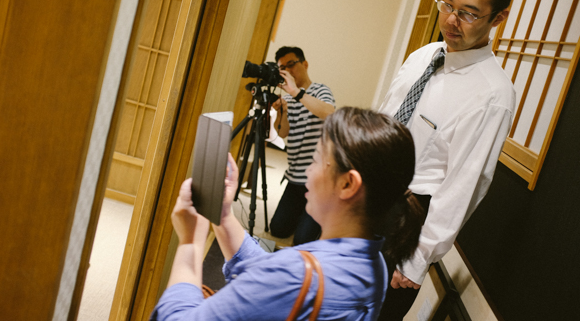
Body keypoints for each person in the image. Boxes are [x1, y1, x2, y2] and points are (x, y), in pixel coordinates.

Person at [151, 108, 425, 321]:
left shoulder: (294, 276)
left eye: (316, 159)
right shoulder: (373, 263)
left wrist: (189, 242)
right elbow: (273, 277)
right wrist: (223, 216)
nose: (307, 170)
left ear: (347, 184)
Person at [376, 0, 516, 320]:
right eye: (448, 4)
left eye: (469, 13)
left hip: (407, 218)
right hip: (370, 192)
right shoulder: (424, 55)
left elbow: (465, 184)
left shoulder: (493, 94)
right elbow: (387, 117)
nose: (451, 19)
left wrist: (418, 258)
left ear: (497, 18)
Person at [269, 46, 335, 245]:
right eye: (282, 68)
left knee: (302, 242)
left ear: (305, 64)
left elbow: (329, 112)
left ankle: (320, 214)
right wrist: (282, 112)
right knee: (278, 230)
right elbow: (283, 133)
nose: (288, 71)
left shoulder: (320, 90)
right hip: (295, 178)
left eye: (291, 64)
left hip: (319, 182)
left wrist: (297, 93)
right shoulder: (287, 98)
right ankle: (307, 214)